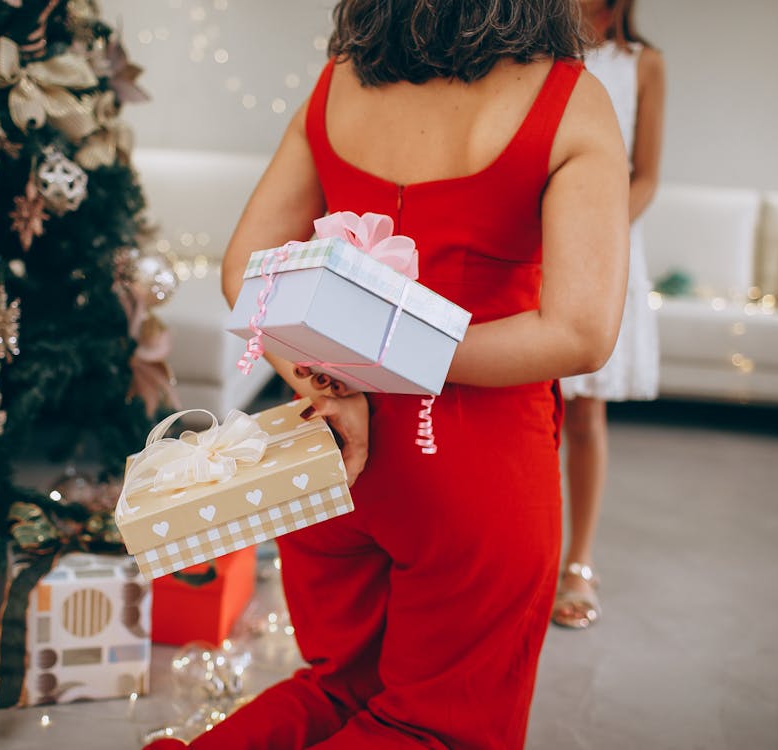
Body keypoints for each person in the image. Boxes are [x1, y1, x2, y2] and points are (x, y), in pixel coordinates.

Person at [145, 1, 629, 747]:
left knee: (337, 690)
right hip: (473, 464)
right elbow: (581, 332)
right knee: (438, 729)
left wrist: (328, 380)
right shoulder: (569, 97)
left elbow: (246, 270)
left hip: (328, 446)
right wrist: (397, 358)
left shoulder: (339, 79)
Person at [552, 0, 665, 631]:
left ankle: (580, 562)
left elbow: (647, 174)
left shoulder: (643, 64)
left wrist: (596, 227)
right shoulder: (534, 44)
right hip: (537, 238)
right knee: (529, 406)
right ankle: (530, 554)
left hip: (607, 242)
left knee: (586, 409)